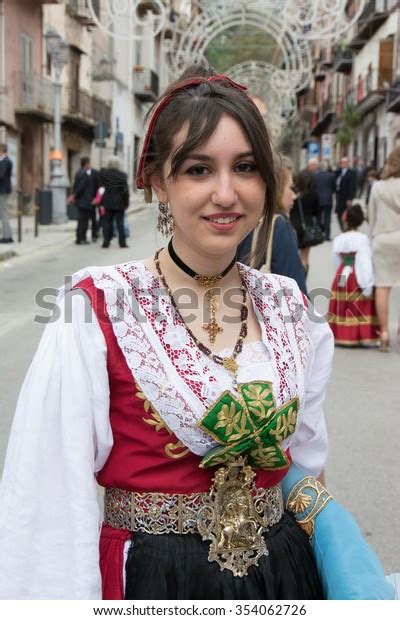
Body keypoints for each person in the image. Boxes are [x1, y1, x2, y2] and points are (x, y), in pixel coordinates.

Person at [0, 66, 393, 601]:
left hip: (283, 576)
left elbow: (305, 467)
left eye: (246, 167)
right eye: (199, 169)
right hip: (154, 584)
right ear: (159, 181)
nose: (226, 193)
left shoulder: (290, 308)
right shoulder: (96, 308)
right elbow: (47, 505)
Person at [238, 159, 307, 294]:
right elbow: (297, 294)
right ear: (277, 189)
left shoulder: (241, 220)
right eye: (290, 188)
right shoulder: (278, 226)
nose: (294, 196)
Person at [328, 204, 379, 347]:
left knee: (342, 301)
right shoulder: (363, 239)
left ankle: (340, 333)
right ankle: (357, 334)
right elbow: (364, 260)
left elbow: (335, 260)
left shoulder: (339, 238)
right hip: (356, 273)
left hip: (343, 271)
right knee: (357, 302)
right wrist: (368, 282)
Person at [368, 146, 400, 352]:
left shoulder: (377, 187)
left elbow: (371, 216)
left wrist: (374, 235)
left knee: (383, 285)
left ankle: (384, 334)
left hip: (382, 238)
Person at [290, 169, 321, 276]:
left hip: (292, 225)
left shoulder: (293, 192)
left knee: (292, 255)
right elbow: (317, 212)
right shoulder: (314, 194)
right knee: (305, 257)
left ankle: (293, 279)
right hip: (307, 227)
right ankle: (303, 281)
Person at [99, 157, 130, 249]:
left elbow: (100, 188)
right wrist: (126, 203)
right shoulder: (122, 175)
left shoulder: (104, 174)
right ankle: (122, 243)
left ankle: (106, 242)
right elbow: (125, 191)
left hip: (107, 202)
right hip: (119, 202)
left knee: (107, 223)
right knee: (120, 223)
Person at [69, 156, 98, 244]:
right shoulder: (84, 174)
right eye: (89, 163)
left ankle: (79, 238)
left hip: (81, 201)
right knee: (83, 222)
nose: (90, 165)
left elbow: (75, 186)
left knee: (81, 220)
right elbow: (80, 188)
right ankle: (81, 239)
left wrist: (74, 196)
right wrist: (74, 196)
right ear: (86, 164)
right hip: (84, 201)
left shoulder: (78, 172)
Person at [313, 160, 336, 241]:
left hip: (318, 199)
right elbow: (334, 188)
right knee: (327, 218)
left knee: (318, 218)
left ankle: (318, 235)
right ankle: (327, 235)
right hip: (328, 199)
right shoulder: (331, 176)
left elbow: (314, 187)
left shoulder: (315, 175)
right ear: (326, 168)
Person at [335, 156, 357, 230]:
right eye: (342, 162)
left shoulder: (352, 173)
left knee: (346, 214)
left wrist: (350, 198)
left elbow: (353, 186)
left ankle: (347, 228)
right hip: (339, 196)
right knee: (339, 214)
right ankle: (342, 228)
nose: (343, 164)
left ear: (348, 163)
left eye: (345, 162)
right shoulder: (338, 172)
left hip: (347, 197)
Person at [0, 143, 13, 244]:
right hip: (4, 190)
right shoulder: (5, 161)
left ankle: (6, 237)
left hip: (3, 190)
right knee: (4, 213)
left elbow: (1, 175)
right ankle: (8, 236)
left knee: (3, 213)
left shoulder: (5, 161)